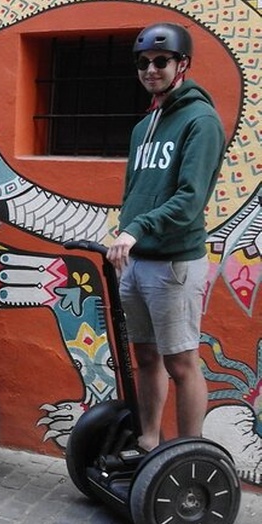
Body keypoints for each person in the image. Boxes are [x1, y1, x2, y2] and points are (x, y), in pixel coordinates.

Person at [106, 22, 225, 451]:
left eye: (161, 61)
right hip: (137, 262)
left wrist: (135, 230)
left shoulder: (201, 121)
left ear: (182, 65)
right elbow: (135, 193)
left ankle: (189, 456)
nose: (151, 69)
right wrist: (126, 228)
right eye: (143, 62)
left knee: (181, 362)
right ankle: (150, 445)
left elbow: (190, 199)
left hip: (174, 263)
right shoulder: (145, 127)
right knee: (147, 358)